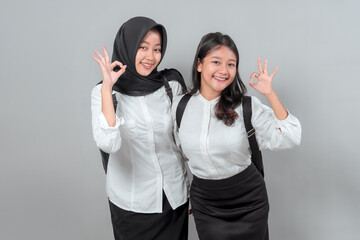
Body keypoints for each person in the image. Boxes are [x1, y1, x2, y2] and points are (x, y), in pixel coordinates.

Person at [172, 32, 301, 240]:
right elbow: (176, 152)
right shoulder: (180, 106)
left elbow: (291, 135)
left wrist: (270, 94)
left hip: (247, 200)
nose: (224, 71)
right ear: (199, 64)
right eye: (216, 62)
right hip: (206, 203)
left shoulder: (246, 107)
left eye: (231, 64)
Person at [91, 16, 189, 240]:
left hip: (175, 197)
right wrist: (108, 89)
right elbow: (108, 143)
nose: (150, 57)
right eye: (142, 48)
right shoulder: (104, 93)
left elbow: (185, 141)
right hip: (133, 205)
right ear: (128, 47)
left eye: (157, 49)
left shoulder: (171, 85)